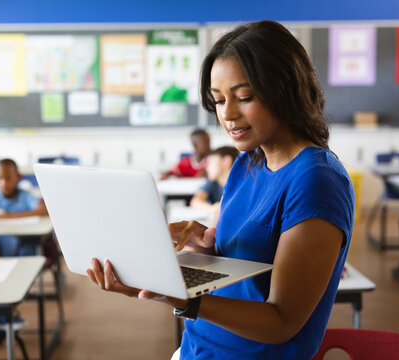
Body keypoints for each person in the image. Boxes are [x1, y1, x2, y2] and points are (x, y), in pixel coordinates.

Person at [86, 20, 355, 360]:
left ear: (285, 90)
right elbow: (246, 264)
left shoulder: (317, 180)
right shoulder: (249, 163)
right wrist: (204, 247)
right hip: (198, 347)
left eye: (244, 97)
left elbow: (282, 322)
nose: (227, 114)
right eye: (218, 100)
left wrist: (182, 297)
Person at [190, 146, 239, 214]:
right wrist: (212, 209)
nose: (206, 168)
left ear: (226, 161)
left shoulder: (242, 184)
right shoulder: (213, 183)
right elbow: (195, 201)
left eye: (210, 162)